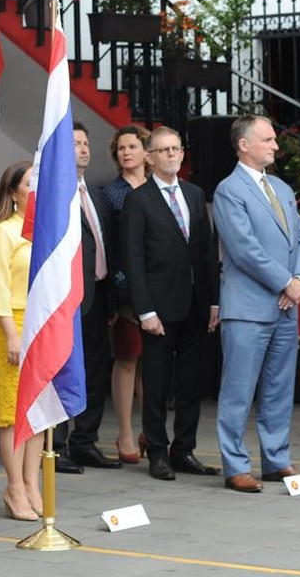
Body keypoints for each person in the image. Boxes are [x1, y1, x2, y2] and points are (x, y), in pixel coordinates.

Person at [213, 114, 300, 494]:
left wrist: (299, 280)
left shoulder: (283, 188)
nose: (275, 145)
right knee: (238, 389)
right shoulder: (229, 190)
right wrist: (285, 281)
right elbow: (244, 249)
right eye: (268, 139)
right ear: (244, 145)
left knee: (279, 387)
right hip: (248, 308)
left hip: (287, 305)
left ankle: (276, 458)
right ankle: (235, 465)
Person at [121, 126, 220, 481]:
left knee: (192, 383)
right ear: (150, 157)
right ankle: (158, 453)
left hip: (196, 305)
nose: (172, 155)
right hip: (159, 310)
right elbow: (132, 259)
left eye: (176, 149)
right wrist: (145, 310)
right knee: (157, 386)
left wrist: (213, 302)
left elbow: (206, 249)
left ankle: (184, 450)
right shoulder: (139, 199)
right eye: (164, 150)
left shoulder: (194, 194)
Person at [0, 159, 44, 520]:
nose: (36, 188)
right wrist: (10, 334)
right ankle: (14, 487)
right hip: (13, 323)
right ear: (13, 192)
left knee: (37, 412)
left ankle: (31, 483)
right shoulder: (1, 232)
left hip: (40, 325)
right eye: (30, 183)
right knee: (11, 415)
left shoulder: (40, 229)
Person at [60, 122, 122, 471]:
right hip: (67, 300)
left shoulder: (96, 193)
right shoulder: (55, 193)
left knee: (95, 373)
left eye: (86, 143)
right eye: (75, 143)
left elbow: (106, 247)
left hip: (97, 296)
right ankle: (57, 445)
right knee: (63, 371)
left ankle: (85, 441)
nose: (83, 149)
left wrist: (111, 298)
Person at [100, 124, 151, 463]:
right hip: (124, 285)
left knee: (156, 362)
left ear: (147, 152)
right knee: (128, 357)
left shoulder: (161, 188)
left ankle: (152, 429)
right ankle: (125, 433)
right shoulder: (110, 193)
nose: (127, 152)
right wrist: (113, 295)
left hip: (159, 284)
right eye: (122, 148)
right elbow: (109, 245)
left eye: (133, 146)